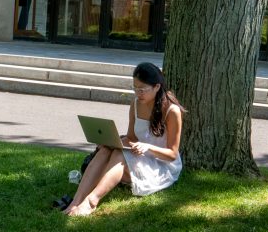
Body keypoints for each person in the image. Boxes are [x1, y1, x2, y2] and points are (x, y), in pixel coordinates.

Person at [63, 62, 184, 217]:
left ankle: (91, 202)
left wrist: (147, 147)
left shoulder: (172, 111)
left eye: (142, 89)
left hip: (161, 166)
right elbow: (131, 138)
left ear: (157, 87)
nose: (138, 93)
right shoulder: (135, 104)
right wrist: (112, 141)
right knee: (107, 150)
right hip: (140, 156)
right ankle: (75, 202)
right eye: (134, 88)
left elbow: (172, 154)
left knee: (119, 156)